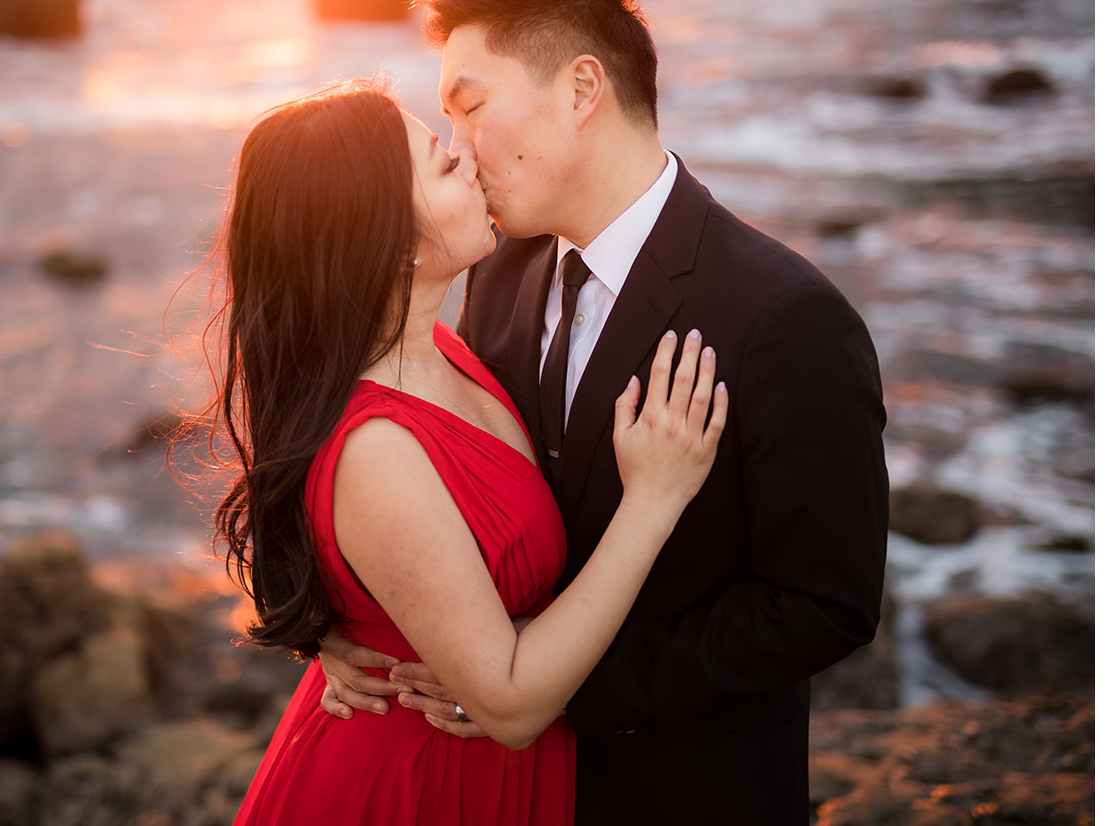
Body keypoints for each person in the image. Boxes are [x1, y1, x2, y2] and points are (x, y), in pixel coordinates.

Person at [312, 0, 890, 824]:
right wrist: (343, 617)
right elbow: (414, 469)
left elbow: (826, 601)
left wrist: (564, 695)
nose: (459, 148)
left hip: (688, 792)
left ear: (583, 90)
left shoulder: (785, 317)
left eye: (469, 104)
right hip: (498, 788)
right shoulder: (499, 270)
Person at [203, 80, 732, 823]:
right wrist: (653, 498)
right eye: (442, 163)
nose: (469, 156)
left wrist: (341, 625)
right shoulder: (379, 449)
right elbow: (510, 703)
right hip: (413, 786)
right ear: (386, 239)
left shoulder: (446, 347)